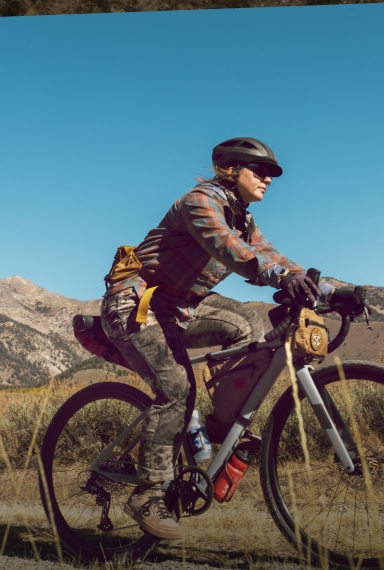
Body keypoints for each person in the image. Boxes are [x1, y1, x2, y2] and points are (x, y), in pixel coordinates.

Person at [90, 136, 344, 541]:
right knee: (176, 388)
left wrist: (328, 289)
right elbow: (231, 251)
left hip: (182, 306)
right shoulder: (200, 203)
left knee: (246, 324)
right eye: (259, 171)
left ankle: (217, 432)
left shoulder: (243, 217)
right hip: (135, 304)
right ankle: (149, 492)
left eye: (272, 174)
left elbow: (271, 255)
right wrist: (280, 278)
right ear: (230, 169)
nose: (268, 179)